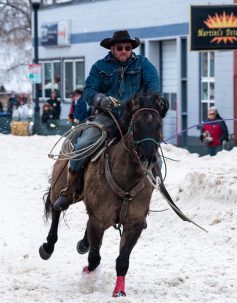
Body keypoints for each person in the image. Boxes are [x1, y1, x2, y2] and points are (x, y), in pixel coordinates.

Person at [53, 30, 161, 211]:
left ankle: (145, 199)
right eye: (119, 48)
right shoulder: (99, 67)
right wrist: (100, 99)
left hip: (135, 118)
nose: (124, 51)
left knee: (154, 153)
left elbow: (154, 87)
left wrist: (149, 101)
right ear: (112, 48)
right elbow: (88, 91)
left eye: (127, 48)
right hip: (107, 117)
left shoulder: (143, 64)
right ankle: (70, 188)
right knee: (83, 145)